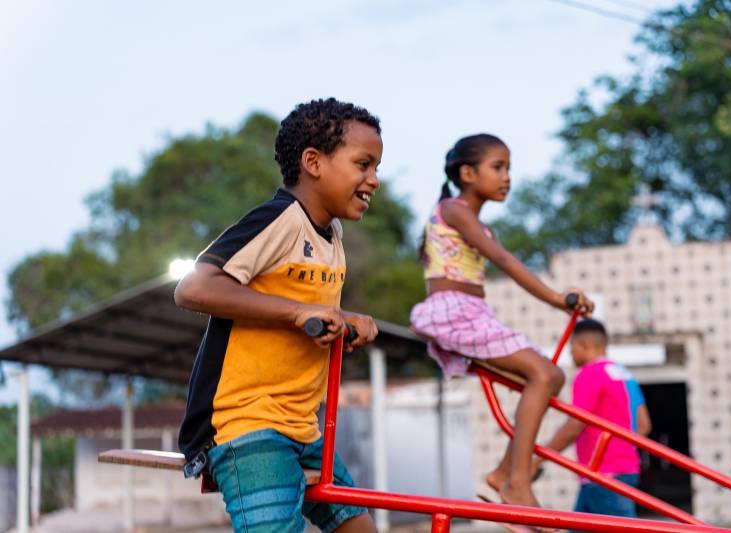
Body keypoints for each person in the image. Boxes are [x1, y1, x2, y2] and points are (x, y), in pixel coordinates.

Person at [174, 98, 382, 533]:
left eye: (375, 167)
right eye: (363, 164)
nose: (373, 180)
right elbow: (194, 287)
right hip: (247, 422)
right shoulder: (280, 219)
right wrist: (296, 312)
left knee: (359, 527)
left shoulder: (332, 235)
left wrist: (346, 320)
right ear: (313, 162)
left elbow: (308, 307)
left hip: (301, 426)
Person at [410, 133, 594, 509]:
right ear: (467, 173)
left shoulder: (477, 223)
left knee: (552, 376)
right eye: (498, 167)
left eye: (509, 168)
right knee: (543, 374)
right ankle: (518, 482)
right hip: (454, 312)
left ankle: (504, 472)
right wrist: (558, 300)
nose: (507, 176)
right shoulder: (454, 209)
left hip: (473, 312)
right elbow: (506, 261)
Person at [531, 318, 652, 529]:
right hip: (621, 471)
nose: (570, 353)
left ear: (585, 345)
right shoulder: (624, 375)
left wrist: (539, 458)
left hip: (603, 474)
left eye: (572, 347)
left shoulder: (589, 374)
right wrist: (622, 451)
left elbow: (575, 425)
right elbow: (644, 425)